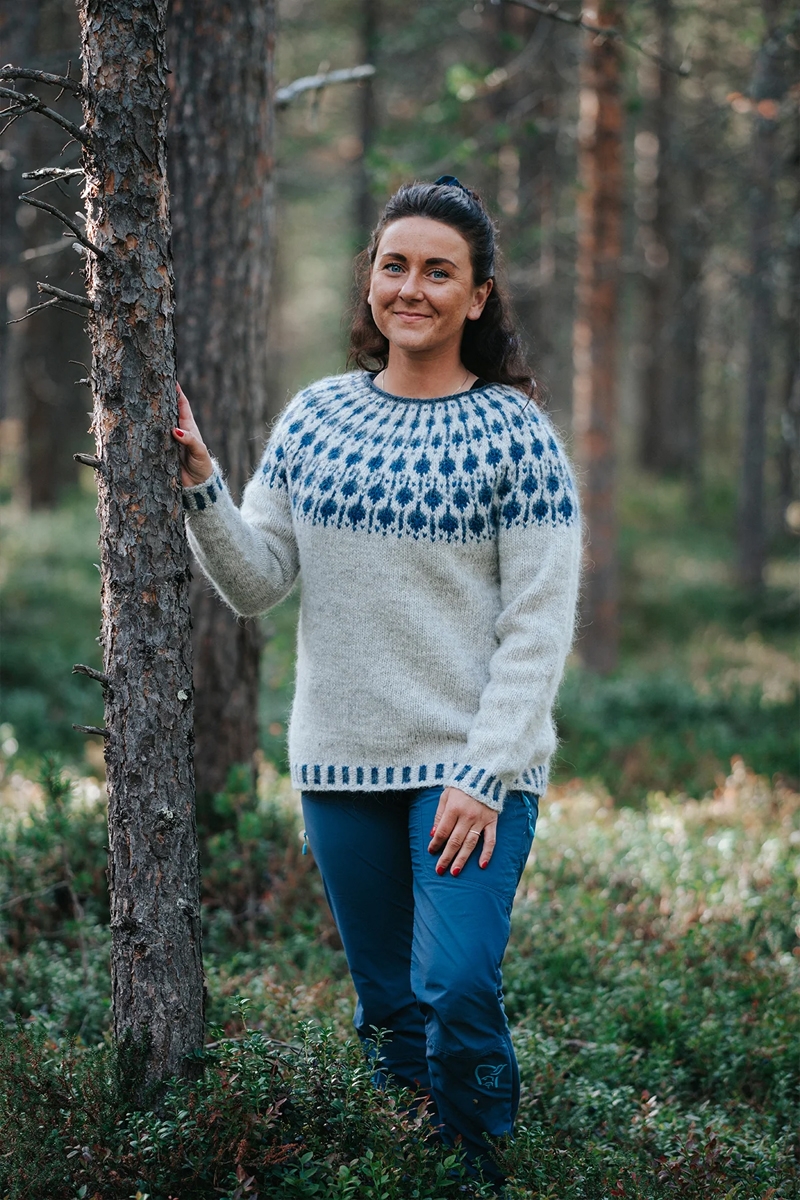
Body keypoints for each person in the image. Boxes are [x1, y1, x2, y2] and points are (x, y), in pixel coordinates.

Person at [173, 177, 581, 1185]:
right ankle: (404, 1168)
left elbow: (536, 628)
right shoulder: (316, 419)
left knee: (455, 986)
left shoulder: (516, 435)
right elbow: (258, 582)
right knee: (390, 1006)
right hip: (342, 768)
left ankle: (477, 1169)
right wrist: (201, 486)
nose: (411, 288)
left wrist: (484, 773)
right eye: (394, 266)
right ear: (369, 282)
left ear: (476, 296)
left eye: (439, 272)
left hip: (469, 776)